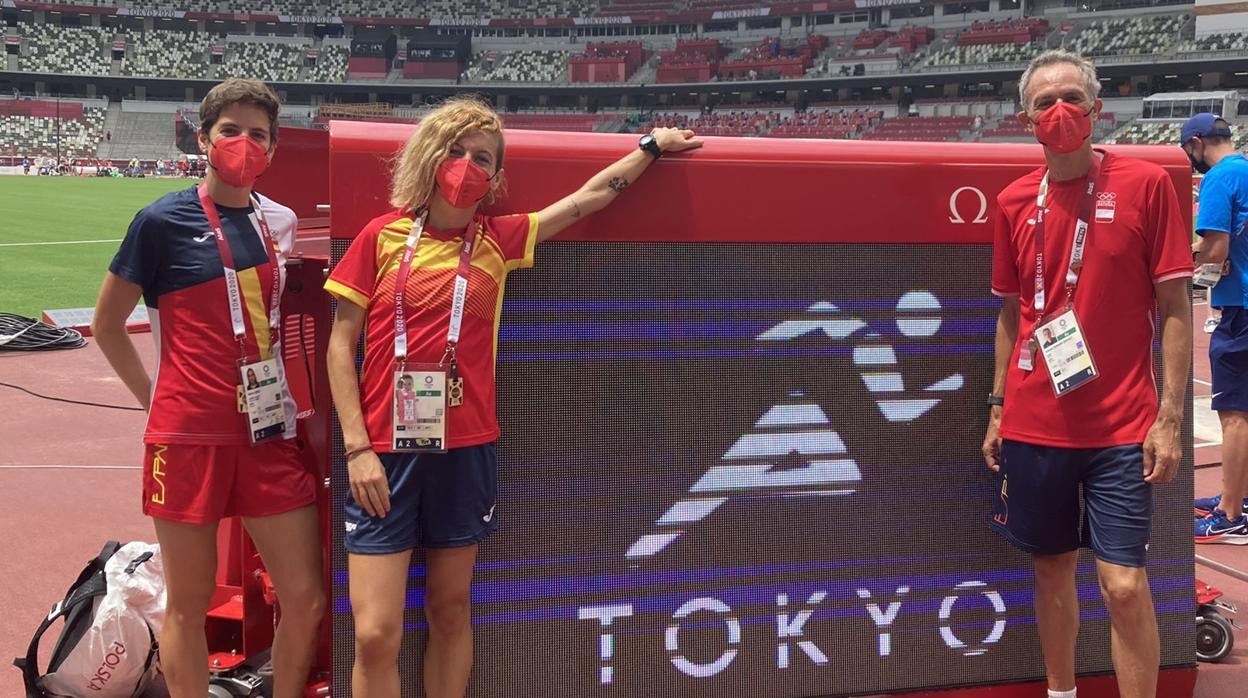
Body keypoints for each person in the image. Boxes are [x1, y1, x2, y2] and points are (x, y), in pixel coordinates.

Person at [325, 96, 700, 698]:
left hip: (467, 451)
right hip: (383, 456)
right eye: (456, 151)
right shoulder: (381, 237)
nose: (466, 166)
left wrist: (650, 147)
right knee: (374, 634)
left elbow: (587, 200)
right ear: (431, 156)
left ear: (495, 176)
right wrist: (357, 448)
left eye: (482, 158)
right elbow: (340, 347)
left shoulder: (499, 239)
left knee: (450, 611)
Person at [91, 78, 324, 698]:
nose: (244, 143)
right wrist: (154, 401)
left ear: (272, 148)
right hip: (188, 434)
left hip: (267, 430)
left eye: (258, 134)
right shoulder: (160, 220)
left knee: (305, 598)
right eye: (230, 130)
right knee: (188, 605)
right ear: (203, 139)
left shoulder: (281, 221)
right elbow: (107, 324)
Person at [981, 50, 1191, 698]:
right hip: (1034, 424)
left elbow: (1176, 307)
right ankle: (1061, 692)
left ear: (1097, 108)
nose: (1060, 111)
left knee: (1123, 585)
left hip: (1123, 428)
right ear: (1027, 121)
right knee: (1051, 573)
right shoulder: (1014, 201)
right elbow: (1012, 314)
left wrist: (1170, 419)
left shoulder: (1146, 185)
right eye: (1045, 103)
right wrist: (997, 407)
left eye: (1072, 98)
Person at [1185, 113, 1248, 542]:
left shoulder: (1219, 178)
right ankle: (1237, 496)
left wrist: (1184, 259)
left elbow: (1214, 249)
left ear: (1197, 143)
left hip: (1240, 309)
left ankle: (1230, 515)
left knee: (1235, 414)